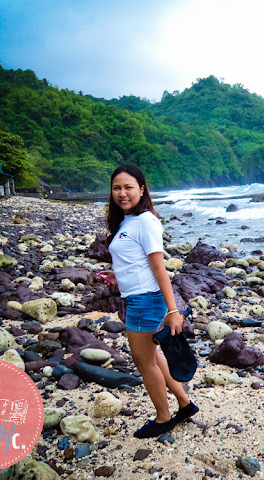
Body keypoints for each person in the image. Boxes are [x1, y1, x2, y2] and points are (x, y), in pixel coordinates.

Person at [100, 165, 198, 438]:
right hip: (138, 298)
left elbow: (158, 268)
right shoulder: (128, 221)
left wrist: (174, 310)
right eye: (117, 188)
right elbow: (137, 262)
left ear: (142, 189)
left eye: (128, 187)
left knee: (144, 363)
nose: (122, 193)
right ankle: (185, 404)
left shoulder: (145, 221)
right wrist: (118, 276)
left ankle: (163, 418)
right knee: (152, 356)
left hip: (146, 301)